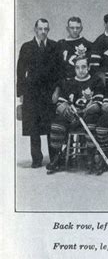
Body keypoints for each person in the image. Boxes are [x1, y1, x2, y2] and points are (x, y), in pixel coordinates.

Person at [47, 56, 103, 174]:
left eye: (83, 67)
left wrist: (84, 111)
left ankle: (91, 158)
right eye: (77, 67)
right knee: (57, 123)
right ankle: (57, 157)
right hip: (72, 117)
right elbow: (61, 103)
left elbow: (98, 104)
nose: (80, 70)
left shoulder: (96, 80)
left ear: (88, 67)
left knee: (92, 121)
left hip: (88, 115)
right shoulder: (69, 82)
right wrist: (62, 107)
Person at [17, 18, 60, 168]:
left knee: (51, 125)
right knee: (33, 126)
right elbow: (20, 72)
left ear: (48, 30)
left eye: (45, 29)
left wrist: (57, 90)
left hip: (49, 92)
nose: (43, 32)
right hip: (32, 92)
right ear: (35, 29)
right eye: (40, 29)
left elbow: (59, 71)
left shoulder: (54, 46)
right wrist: (21, 93)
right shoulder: (26, 47)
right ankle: (36, 159)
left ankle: (54, 158)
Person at [56, 17, 93, 81]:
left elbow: (90, 68)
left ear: (81, 29)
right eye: (72, 28)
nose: (75, 30)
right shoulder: (60, 44)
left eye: (77, 28)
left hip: (81, 82)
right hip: (64, 82)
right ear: (67, 29)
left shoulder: (88, 44)